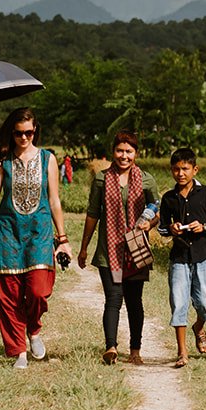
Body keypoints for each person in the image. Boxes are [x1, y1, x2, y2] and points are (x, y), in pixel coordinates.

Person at [0, 108, 72, 370]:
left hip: (39, 234)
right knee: (9, 296)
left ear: (35, 131)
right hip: (8, 233)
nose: (24, 138)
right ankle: (18, 349)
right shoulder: (3, 161)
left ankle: (34, 329)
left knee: (38, 290)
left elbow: (54, 200)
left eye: (29, 133)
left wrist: (62, 238)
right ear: (13, 132)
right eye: (19, 133)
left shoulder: (47, 159)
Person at [77, 131, 158, 365]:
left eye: (129, 152)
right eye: (120, 151)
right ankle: (110, 347)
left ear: (136, 153)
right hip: (108, 250)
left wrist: (149, 224)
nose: (124, 156)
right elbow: (93, 214)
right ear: (113, 152)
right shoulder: (102, 179)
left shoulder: (146, 179)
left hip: (136, 250)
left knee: (134, 301)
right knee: (113, 297)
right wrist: (84, 247)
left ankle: (135, 350)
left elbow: (157, 209)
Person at [157, 146, 206, 368]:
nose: (180, 173)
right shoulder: (168, 198)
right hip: (179, 257)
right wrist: (172, 229)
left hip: (202, 255)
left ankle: (199, 327)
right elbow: (162, 228)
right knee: (179, 303)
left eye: (185, 169)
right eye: (176, 169)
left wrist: (202, 226)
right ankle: (182, 352)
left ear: (195, 169)